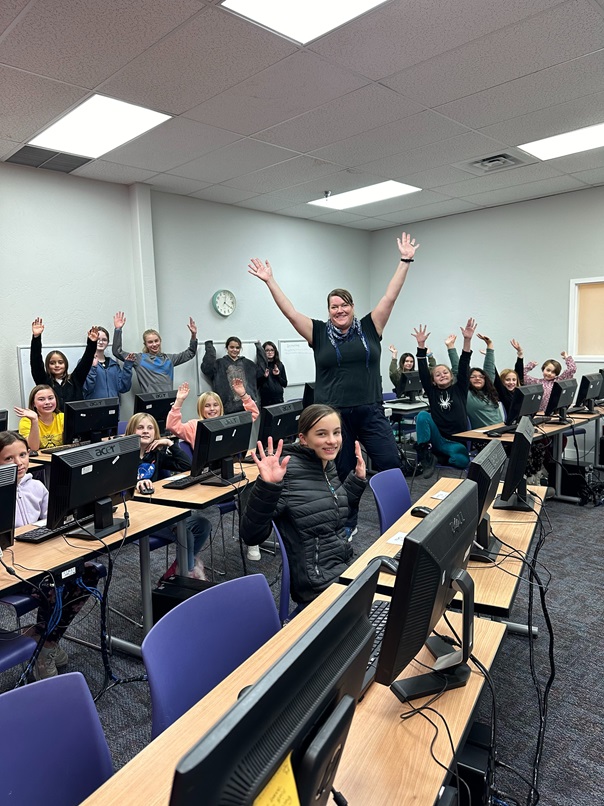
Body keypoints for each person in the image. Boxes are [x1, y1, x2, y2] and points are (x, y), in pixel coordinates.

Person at [248, 231, 419, 532]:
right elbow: (290, 312)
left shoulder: (370, 326)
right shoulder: (317, 332)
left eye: (345, 305)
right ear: (328, 311)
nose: (339, 310)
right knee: (341, 473)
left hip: (370, 410)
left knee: (390, 464)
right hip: (333, 417)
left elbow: (390, 296)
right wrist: (269, 281)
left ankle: (399, 524)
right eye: (334, 306)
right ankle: (347, 526)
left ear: (353, 307)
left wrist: (405, 260)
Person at [240, 405, 367, 607]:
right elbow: (251, 535)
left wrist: (356, 482)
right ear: (303, 438)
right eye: (322, 434)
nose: (332, 441)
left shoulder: (325, 464)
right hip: (318, 584)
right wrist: (267, 488)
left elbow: (331, 512)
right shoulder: (289, 472)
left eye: (336, 432)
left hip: (344, 565)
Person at [0, 431, 101, 680]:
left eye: (22, 455)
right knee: (53, 588)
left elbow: (52, 521)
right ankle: (46, 645)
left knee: (88, 572)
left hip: (44, 557)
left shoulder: (36, 486)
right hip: (14, 569)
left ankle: (44, 642)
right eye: (8, 458)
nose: (19, 462)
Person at [166, 380, 260, 561]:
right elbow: (172, 426)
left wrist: (243, 395)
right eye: (207, 406)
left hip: (230, 474)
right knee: (246, 490)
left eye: (215, 405)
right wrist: (179, 402)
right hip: (208, 480)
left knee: (253, 485)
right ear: (201, 409)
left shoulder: (228, 421)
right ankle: (253, 538)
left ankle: (253, 538)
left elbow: (253, 414)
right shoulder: (194, 426)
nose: (212, 409)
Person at [413, 319, 476, 478]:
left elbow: (463, 365)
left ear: (451, 376)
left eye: (445, 372)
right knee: (422, 416)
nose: (442, 375)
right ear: (433, 380)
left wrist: (467, 340)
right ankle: (426, 454)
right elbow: (422, 372)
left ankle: (438, 457)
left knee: (461, 461)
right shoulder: (432, 391)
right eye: (438, 374)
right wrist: (421, 346)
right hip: (439, 438)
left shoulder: (459, 388)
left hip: (456, 443)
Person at [112, 311, 198, 393]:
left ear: (160, 341)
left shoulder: (169, 359)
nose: (154, 344)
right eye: (150, 342)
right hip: (149, 403)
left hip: (168, 402)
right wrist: (118, 330)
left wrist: (193, 335)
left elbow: (190, 353)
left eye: (156, 341)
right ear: (145, 344)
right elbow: (117, 352)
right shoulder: (139, 359)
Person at [29, 317, 99, 407]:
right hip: (53, 420)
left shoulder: (75, 380)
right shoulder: (44, 381)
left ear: (65, 364)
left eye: (60, 362)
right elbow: (36, 361)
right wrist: (36, 338)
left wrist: (92, 343)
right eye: (52, 363)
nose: (57, 365)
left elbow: (86, 361)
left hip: (75, 420)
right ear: (48, 365)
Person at [446, 333, 501, 429]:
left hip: (502, 431)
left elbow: (489, 368)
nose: (478, 378)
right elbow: (458, 368)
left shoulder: (488, 391)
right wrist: (451, 347)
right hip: (484, 437)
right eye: (473, 377)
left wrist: (490, 345)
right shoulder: (466, 394)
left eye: (480, 376)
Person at [201, 337, 267, 414]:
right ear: (227, 348)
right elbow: (207, 369)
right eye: (232, 347)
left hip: (246, 408)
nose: (234, 350)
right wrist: (209, 348)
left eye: (237, 347)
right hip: (227, 408)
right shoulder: (219, 364)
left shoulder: (249, 364)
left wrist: (259, 348)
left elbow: (261, 371)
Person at [83, 326, 134, 400]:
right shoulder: (84, 362)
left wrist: (127, 366)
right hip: (94, 408)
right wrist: (93, 368)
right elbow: (86, 388)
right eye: (97, 339)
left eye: (104, 340)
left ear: (107, 343)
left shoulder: (113, 365)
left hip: (113, 408)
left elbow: (123, 388)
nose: (100, 342)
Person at [16, 384, 63, 451]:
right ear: (33, 403)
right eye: (41, 399)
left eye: (50, 398)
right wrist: (34, 420)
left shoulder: (62, 417)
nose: (47, 402)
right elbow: (33, 448)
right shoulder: (26, 421)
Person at [257, 341, 288, 407]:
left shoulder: (279, 364)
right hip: (266, 400)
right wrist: (264, 376)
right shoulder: (260, 366)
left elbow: (284, 384)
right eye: (267, 350)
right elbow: (256, 385)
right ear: (263, 352)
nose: (270, 352)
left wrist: (278, 375)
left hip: (279, 399)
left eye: (272, 350)